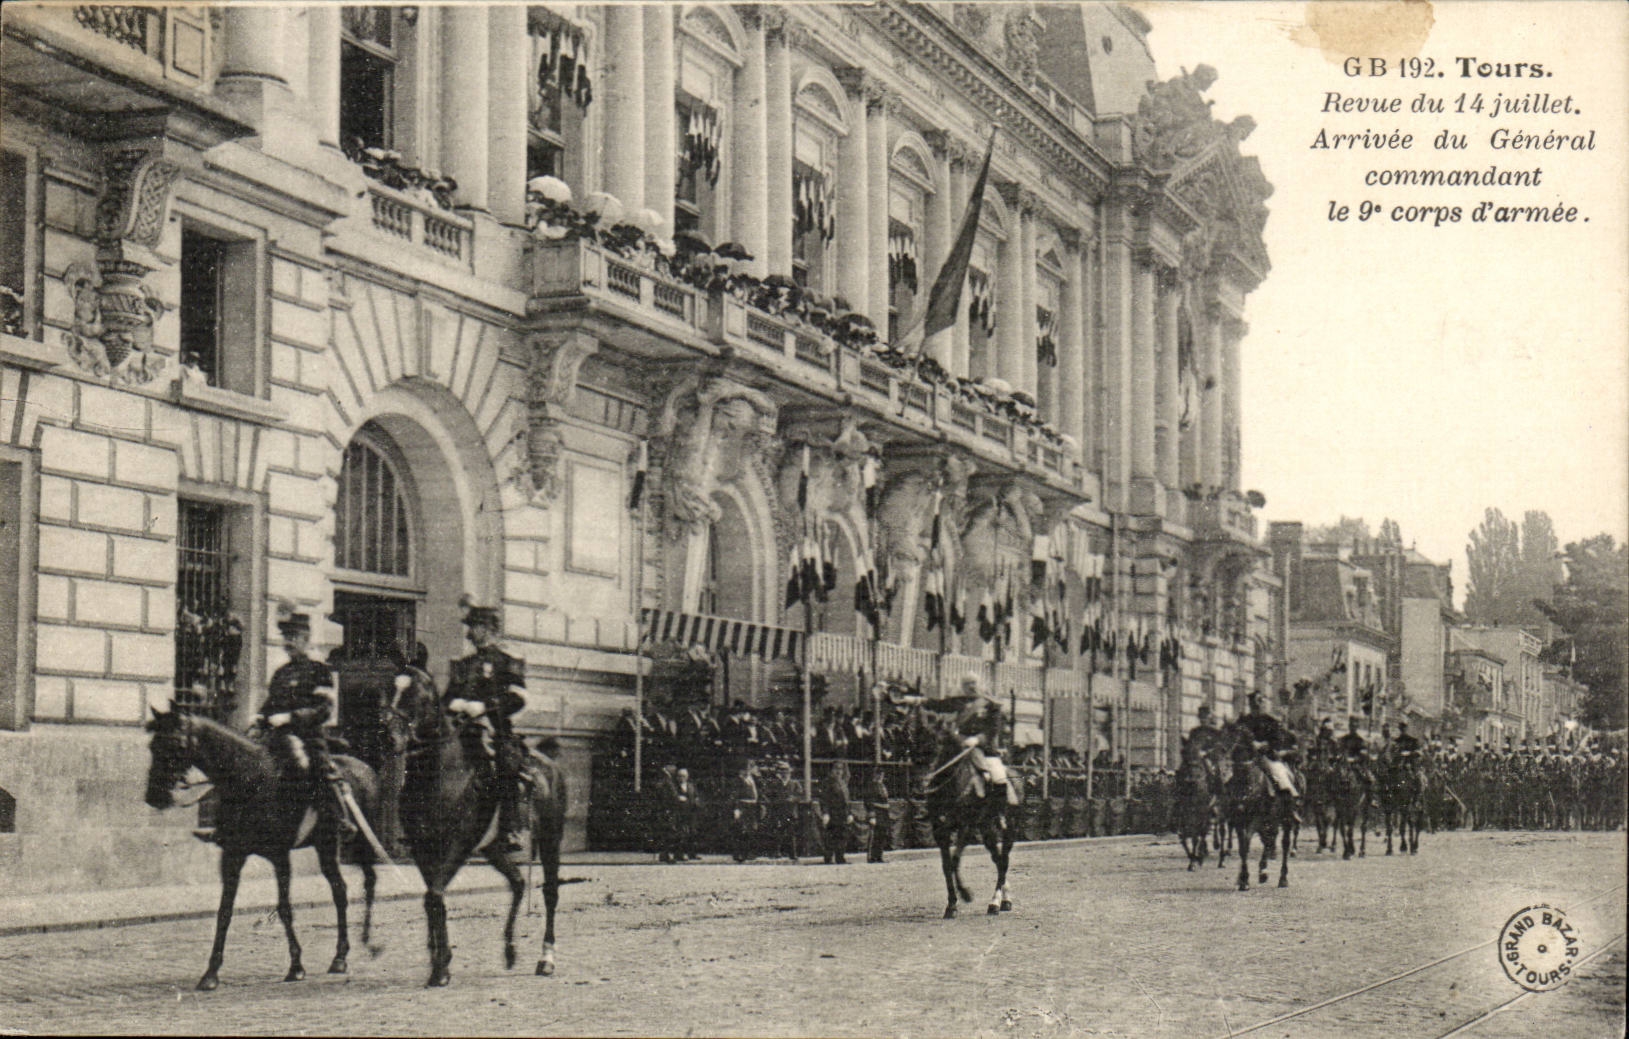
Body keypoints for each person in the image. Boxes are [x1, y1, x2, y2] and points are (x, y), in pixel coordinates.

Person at [257, 608, 354, 837]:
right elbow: (270, 703)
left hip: (308, 736)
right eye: (286, 637)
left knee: (318, 767)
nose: (288, 643)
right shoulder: (281, 673)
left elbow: (324, 709)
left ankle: (340, 818)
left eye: (293, 637)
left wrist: (292, 717)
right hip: (276, 735)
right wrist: (260, 717)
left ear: (306, 639)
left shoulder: (319, 671)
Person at [444, 599, 529, 854]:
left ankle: (509, 831)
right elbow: (447, 697)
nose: (470, 632)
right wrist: (457, 703)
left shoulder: (508, 660)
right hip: (461, 728)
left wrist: (485, 707)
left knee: (507, 765)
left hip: (496, 730)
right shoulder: (463, 663)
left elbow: (518, 698)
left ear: (490, 628)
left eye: (476, 626)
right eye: (471, 626)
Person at [941, 672, 1018, 806]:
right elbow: (937, 705)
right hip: (960, 746)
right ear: (962, 687)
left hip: (985, 749)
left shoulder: (990, 704)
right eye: (967, 684)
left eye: (973, 683)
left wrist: (978, 739)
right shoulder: (957, 702)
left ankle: (999, 812)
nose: (971, 687)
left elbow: (994, 728)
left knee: (998, 777)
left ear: (979, 684)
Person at [1235, 691, 1298, 797]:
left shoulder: (1270, 721)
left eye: (1258, 705)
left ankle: (1290, 804)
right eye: (1253, 706)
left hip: (1267, 756)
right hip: (1247, 757)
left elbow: (1278, 740)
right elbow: (1236, 736)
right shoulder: (1244, 721)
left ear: (1263, 705)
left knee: (1279, 776)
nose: (1256, 709)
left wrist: (1264, 744)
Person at [817, 761, 853, 864]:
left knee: (842, 836)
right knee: (831, 836)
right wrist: (825, 813)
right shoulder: (827, 783)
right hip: (832, 813)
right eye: (836, 769)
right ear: (831, 770)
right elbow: (823, 799)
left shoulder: (843, 783)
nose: (838, 771)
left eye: (840, 769)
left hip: (842, 814)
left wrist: (849, 813)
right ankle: (828, 858)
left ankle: (840, 857)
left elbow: (847, 800)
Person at [730, 760, 761, 863]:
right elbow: (734, 796)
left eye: (749, 768)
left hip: (753, 806)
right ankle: (739, 854)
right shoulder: (737, 781)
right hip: (743, 806)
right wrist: (736, 808)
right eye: (745, 769)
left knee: (751, 830)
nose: (747, 771)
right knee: (741, 830)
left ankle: (749, 853)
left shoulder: (753, 779)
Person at [864, 769, 891, 863]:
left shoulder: (882, 786)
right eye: (878, 774)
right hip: (876, 813)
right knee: (874, 835)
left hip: (884, 814)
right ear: (874, 775)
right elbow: (868, 802)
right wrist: (872, 816)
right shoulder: (871, 786)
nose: (880, 777)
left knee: (882, 835)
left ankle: (879, 856)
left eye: (882, 775)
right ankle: (871, 857)